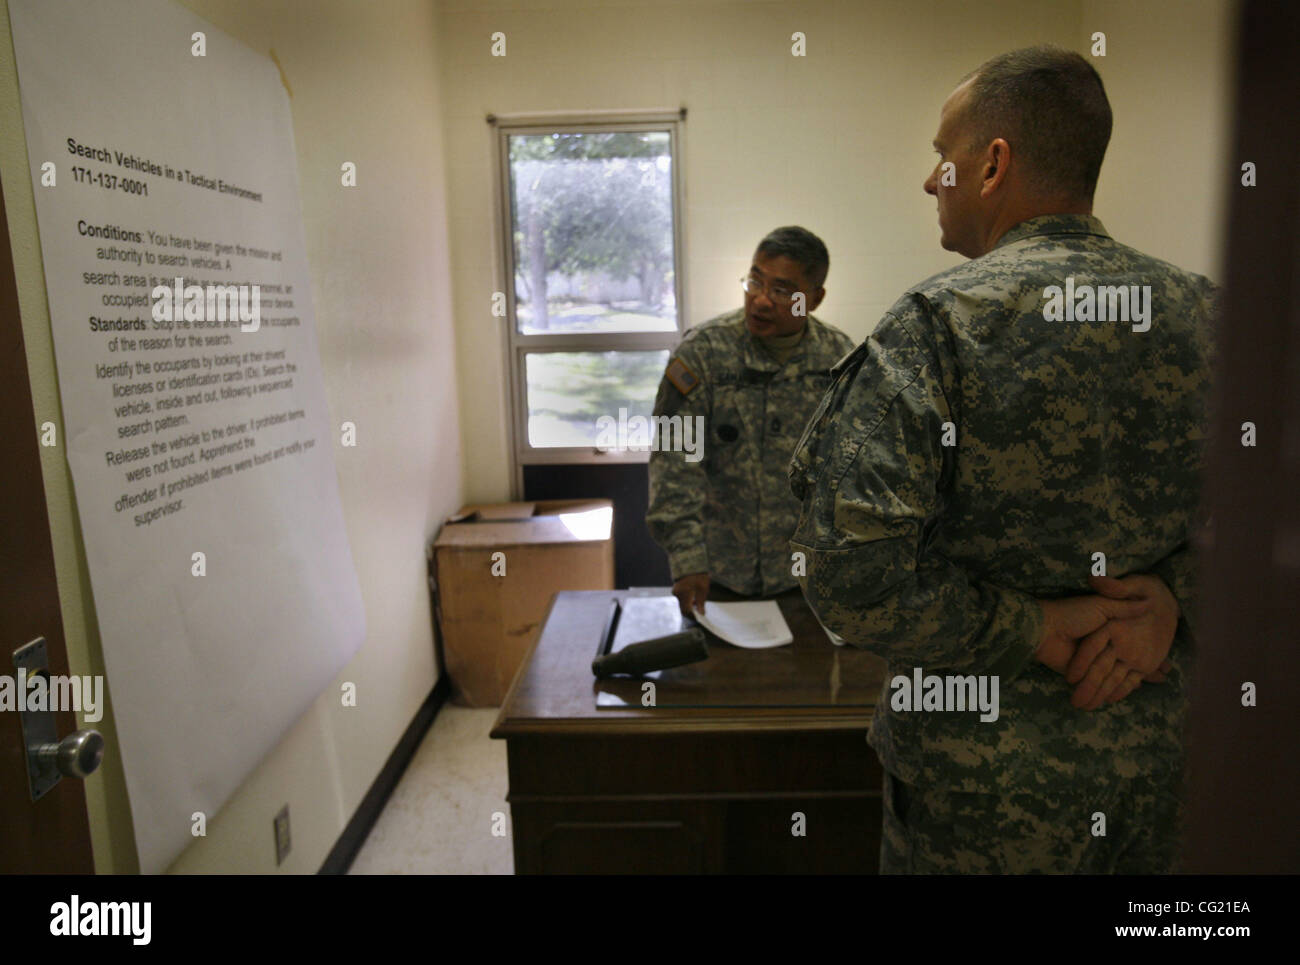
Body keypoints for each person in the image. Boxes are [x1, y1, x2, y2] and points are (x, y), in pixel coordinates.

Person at [788, 46, 1214, 873]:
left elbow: (848, 576)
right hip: (1163, 773)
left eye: (941, 157)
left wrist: (1039, 629)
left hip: (977, 801)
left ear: (993, 165)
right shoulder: (1214, 315)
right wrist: (1173, 600)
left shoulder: (936, 329)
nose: (929, 180)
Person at [647, 226, 854, 617]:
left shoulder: (839, 361)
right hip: (716, 578)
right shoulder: (704, 353)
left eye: (781, 290)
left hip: (807, 581)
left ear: (814, 298)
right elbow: (674, 461)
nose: (760, 300)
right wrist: (687, 558)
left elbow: (852, 474)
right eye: (754, 280)